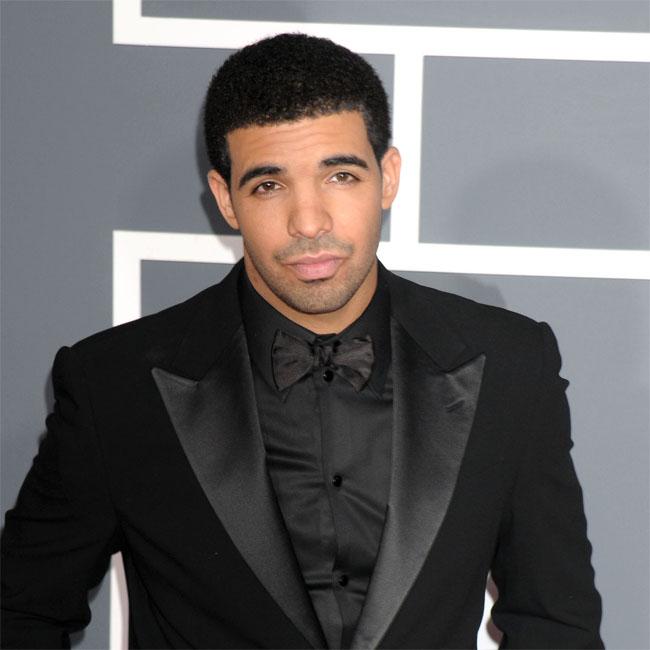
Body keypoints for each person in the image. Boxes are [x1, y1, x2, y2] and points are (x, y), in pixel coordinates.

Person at [1, 33, 603, 650]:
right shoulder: (114, 387)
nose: (309, 223)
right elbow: (21, 615)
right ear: (225, 199)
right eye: (269, 185)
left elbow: (557, 625)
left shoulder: (510, 367)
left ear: (387, 177)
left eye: (340, 175)